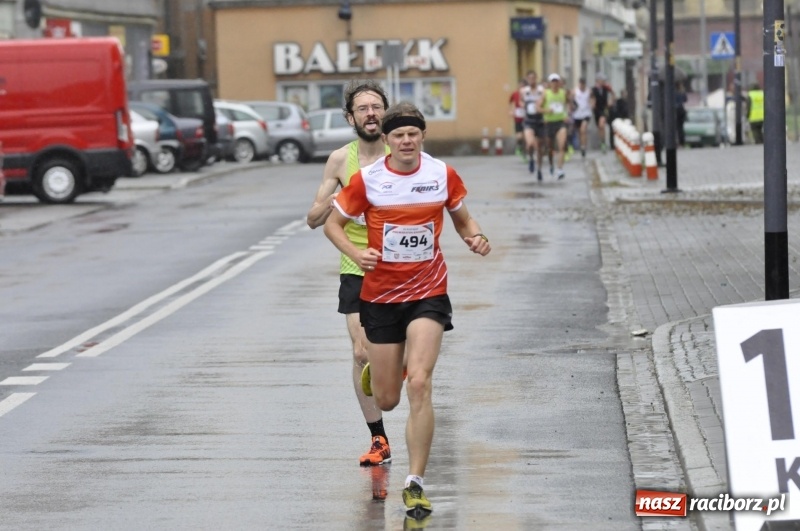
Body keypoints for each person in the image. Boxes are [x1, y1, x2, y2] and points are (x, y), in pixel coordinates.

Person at [323, 101, 491, 520]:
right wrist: (355, 253)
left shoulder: (441, 174)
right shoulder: (368, 180)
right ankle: (383, 369)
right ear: (387, 140)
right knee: (388, 398)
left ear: (422, 136)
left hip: (428, 292)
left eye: (413, 133)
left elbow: (464, 219)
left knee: (420, 383)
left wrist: (476, 237)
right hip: (380, 297)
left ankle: (415, 482)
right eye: (398, 135)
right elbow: (332, 224)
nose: (406, 141)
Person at [305, 79, 394, 468]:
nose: (371, 113)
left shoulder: (403, 150)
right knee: (361, 353)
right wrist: (343, 197)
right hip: (356, 265)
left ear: (385, 113)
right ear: (350, 117)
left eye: (376, 107)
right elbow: (312, 219)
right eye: (363, 108)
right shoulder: (341, 160)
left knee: (394, 351)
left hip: (401, 268)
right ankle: (379, 439)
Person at [541, 73, 570, 180]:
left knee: (562, 145)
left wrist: (567, 115)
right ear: (549, 83)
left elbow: (568, 105)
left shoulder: (563, 93)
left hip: (560, 122)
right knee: (550, 148)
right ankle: (551, 164)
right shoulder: (546, 94)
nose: (555, 83)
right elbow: (537, 107)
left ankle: (560, 169)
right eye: (552, 81)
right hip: (549, 123)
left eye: (556, 81)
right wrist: (546, 110)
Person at [520, 70, 547, 180]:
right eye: (529, 78)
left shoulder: (542, 90)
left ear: (536, 78)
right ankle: (531, 158)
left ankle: (539, 169)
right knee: (530, 143)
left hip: (539, 121)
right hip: (529, 121)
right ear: (527, 79)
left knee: (539, 148)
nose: (531, 80)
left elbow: (544, 101)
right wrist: (524, 106)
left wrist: (540, 105)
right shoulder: (523, 91)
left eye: (533, 78)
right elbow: (521, 102)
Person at [590, 72, 615, 153]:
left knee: (602, 124)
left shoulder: (606, 88)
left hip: (603, 109)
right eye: (602, 80)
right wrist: (592, 104)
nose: (603, 82)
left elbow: (613, 95)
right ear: (598, 80)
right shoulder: (593, 89)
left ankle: (603, 143)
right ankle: (602, 141)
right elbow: (591, 98)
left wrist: (610, 102)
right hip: (596, 110)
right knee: (600, 127)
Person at [571, 77, 592, 158]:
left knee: (583, 129)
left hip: (586, 113)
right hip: (577, 114)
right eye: (581, 83)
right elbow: (571, 100)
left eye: (583, 84)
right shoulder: (575, 91)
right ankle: (582, 145)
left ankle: (583, 146)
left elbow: (592, 99)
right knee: (580, 132)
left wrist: (591, 104)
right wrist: (572, 106)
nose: (582, 85)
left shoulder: (588, 91)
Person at [508, 78, 527, 160]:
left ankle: (525, 154)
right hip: (518, 117)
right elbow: (510, 102)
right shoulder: (515, 94)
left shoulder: (527, 93)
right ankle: (519, 146)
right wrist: (510, 111)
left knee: (526, 136)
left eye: (523, 85)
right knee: (519, 136)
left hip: (526, 118)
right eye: (520, 85)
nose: (521, 87)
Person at [675, 82, 688, 147]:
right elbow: (685, 100)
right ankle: (682, 141)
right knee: (680, 127)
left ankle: (677, 141)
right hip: (681, 110)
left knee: (676, 127)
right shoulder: (682, 92)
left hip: (675, 110)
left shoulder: (673, 92)